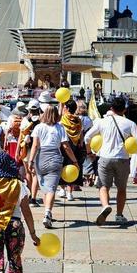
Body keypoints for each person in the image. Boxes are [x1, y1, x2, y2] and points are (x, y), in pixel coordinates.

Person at [84, 97, 137, 226]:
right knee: (121, 188)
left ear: (111, 108)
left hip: (105, 158)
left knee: (103, 186)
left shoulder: (102, 122)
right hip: (122, 158)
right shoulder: (130, 123)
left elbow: (87, 137)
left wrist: (89, 153)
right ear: (125, 109)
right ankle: (119, 215)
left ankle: (105, 205)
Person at [27, 93, 79, 228]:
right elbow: (66, 146)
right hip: (54, 157)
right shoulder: (59, 127)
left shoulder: (38, 127)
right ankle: (48, 213)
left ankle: (47, 212)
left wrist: (30, 161)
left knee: (45, 188)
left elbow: (34, 145)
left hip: (40, 157)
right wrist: (74, 161)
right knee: (51, 189)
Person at [58, 99, 86, 201]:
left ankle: (62, 189)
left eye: (65, 107)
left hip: (64, 145)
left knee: (63, 166)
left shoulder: (63, 119)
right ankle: (70, 192)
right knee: (73, 167)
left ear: (68, 108)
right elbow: (81, 133)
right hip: (76, 146)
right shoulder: (78, 120)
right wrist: (81, 142)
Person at [16, 100, 41, 206]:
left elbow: (20, 137)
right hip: (38, 150)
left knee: (28, 172)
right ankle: (34, 197)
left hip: (26, 149)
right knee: (35, 174)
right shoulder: (42, 121)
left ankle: (30, 193)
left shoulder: (25, 121)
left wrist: (17, 151)